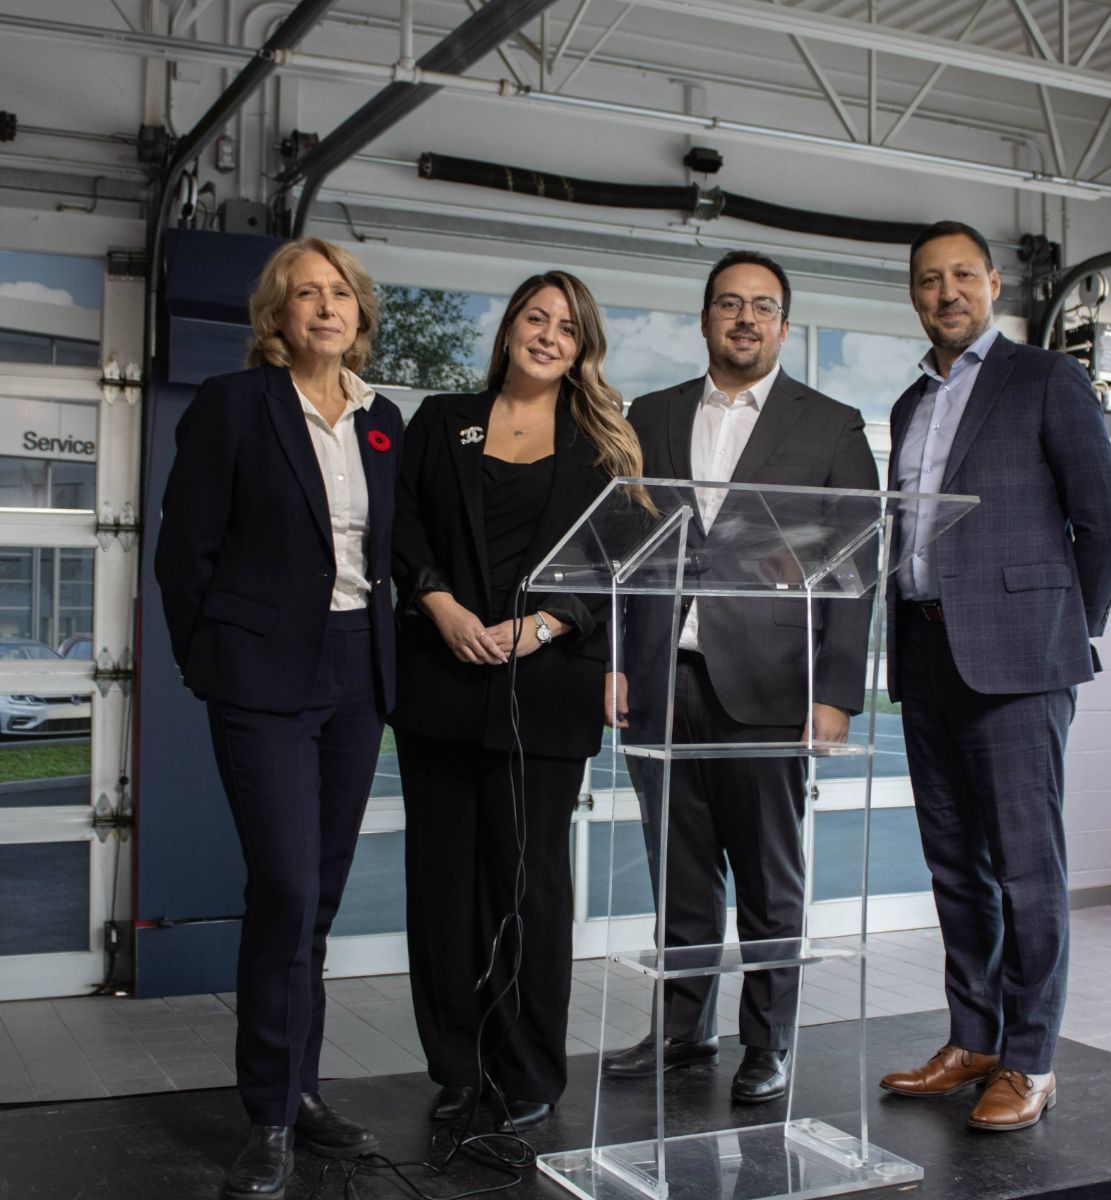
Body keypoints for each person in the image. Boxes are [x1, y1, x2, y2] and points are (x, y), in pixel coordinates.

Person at [154, 237, 402, 1199]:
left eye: (340, 293)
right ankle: (267, 1112)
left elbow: (396, 548)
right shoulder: (236, 406)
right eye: (306, 293)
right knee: (286, 890)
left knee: (323, 898)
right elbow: (185, 550)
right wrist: (209, 660)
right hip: (261, 679)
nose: (326, 307)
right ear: (277, 315)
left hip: (355, 672)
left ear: (359, 314)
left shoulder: (386, 422)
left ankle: (302, 1090)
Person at [602, 250, 877, 1104]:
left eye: (762, 307)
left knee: (768, 877)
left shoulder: (831, 425)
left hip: (771, 685)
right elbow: (614, 550)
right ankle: (683, 1030)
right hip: (662, 679)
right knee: (678, 874)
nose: (744, 319)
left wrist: (834, 692)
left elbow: (856, 569)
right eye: (728, 304)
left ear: (783, 327)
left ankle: (768, 1041)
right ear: (705, 320)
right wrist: (613, 660)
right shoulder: (646, 415)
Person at [877, 220, 1111, 1132]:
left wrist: (1066, 634)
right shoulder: (909, 404)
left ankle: (1030, 1058)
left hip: (1019, 664)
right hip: (926, 654)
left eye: (960, 277)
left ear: (991, 284)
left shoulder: (1046, 379)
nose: (944, 293)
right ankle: (973, 1038)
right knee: (956, 868)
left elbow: (1105, 522)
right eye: (927, 280)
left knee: (1026, 870)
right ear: (913, 294)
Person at [392, 271, 641, 1134]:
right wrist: (443, 607)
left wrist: (544, 625)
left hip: (544, 689)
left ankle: (529, 1069)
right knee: (444, 887)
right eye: (535, 318)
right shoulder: (438, 421)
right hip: (442, 679)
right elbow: (403, 528)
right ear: (507, 330)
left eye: (566, 327)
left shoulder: (604, 443)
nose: (547, 334)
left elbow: (619, 560)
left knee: (528, 890)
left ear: (582, 348)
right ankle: (457, 1067)